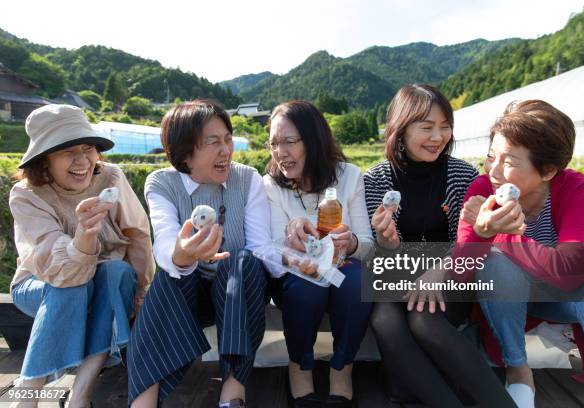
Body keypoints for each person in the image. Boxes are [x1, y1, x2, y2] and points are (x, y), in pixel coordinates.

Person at [364, 84, 515, 407]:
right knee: (384, 320)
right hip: (396, 278)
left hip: (448, 278)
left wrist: (439, 269)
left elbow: (470, 239)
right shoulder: (376, 179)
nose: (438, 137)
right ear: (400, 129)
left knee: (423, 318)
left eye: (445, 127)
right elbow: (374, 255)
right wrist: (386, 243)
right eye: (427, 127)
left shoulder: (462, 175)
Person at [456, 99, 584, 408]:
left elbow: (573, 271)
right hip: (503, 296)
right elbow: (462, 268)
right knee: (496, 264)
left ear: (548, 170)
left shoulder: (581, 191)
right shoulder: (481, 189)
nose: (494, 171)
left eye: (510, 162)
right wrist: (479, 232)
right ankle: (517, 370)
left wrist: (500, 233)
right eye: (491, 157)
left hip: (556, 295)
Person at [127, 99, 271, 408]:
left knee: (245, 260)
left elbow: (259, 247)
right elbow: (165, 242)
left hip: (236, 292)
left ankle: (233, 391)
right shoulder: (162, 183)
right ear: (185, 153)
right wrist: (183, 254)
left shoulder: (247, 179)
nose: (226, 150)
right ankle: (143, 400)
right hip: (190, 293)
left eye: (228, 139)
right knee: (168, 276)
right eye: (213, 142)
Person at [9, 104, 154, 407]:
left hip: (101, 281)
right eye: (67, 151)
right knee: (73, 283)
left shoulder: (111, 178)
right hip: (39, 285)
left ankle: (82, 390)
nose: (81, 161)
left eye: (87, 148)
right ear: (43, 160)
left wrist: (142, 291)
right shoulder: (27, 195)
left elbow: (138, 235)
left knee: (118, 271)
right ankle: (28, 393)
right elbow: (57, 266)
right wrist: (83, 238)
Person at [264, 100, 374, 407]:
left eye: (288, 142)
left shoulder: (349, 175)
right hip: (294, 274)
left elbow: (366, 245)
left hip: (340, 268)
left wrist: (349, 241)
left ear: (313, 139)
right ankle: (300, 368)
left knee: (356, 281)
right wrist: (290, 238)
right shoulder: (272, 185)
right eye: (273, 143)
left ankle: (342, 368)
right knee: (306, 288)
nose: (280, 152)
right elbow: (269, 247)